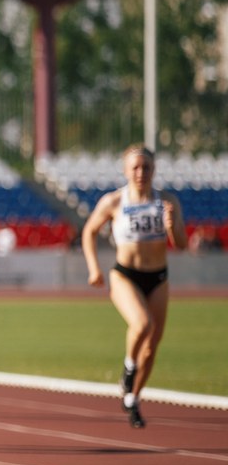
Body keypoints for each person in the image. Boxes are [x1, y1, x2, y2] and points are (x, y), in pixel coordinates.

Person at [81, 145, 187, 428]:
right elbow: (89, 231)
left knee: (152, 347)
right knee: (142, 324)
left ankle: (133, 399)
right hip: (125, 275)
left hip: (158, 277)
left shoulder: (167, 201)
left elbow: (182, 243)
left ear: (154, 169)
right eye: (135, 167)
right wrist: (93, 268)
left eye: (147, 167)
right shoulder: (114, 201)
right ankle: (129, 367)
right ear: (126, 170)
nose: (141, 172)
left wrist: (172, 224)